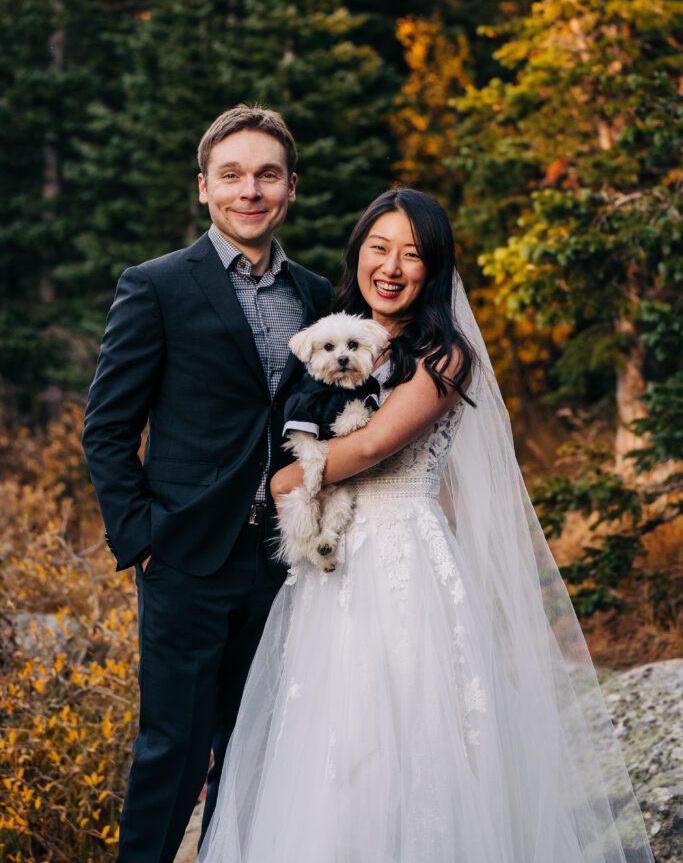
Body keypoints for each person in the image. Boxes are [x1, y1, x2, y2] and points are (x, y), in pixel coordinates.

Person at [198, 188, 654, 863]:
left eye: (411, 255)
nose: (391, 266)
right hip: (332, 568)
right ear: (358, 256)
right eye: (378, 248)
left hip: (402, 564)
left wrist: (284, 480)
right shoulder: (341, 337)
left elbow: (369, 447)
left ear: (432, 268)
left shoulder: (443, 356)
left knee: (407, 735)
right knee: (332, 735)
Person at [81, 105, 334, 863]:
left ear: (289, 187)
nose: (248, 190)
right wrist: (143, 539)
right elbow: (106, 427)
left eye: (266, 174)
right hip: (184, 557)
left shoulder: (319, 297)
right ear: (204, 187)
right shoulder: (155, 285)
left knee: (258, 750)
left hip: (278, 562)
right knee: (173, 751)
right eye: (231, 175)